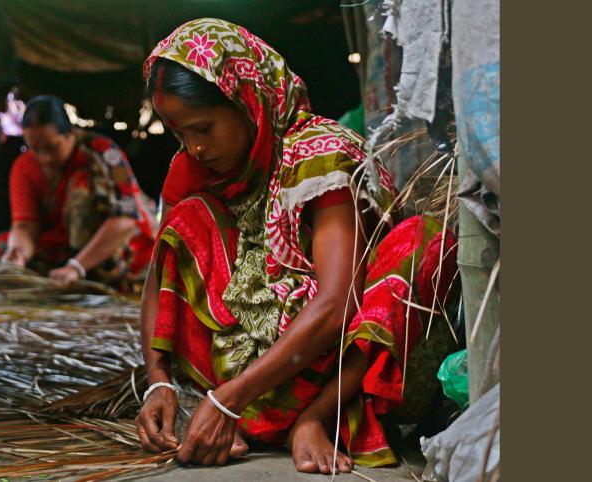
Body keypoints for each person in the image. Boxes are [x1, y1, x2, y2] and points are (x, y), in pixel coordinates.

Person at [134, 19, 458, 474]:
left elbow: (337, 304)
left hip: (345, 375)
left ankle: (313, 419)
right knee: (186, 220)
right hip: (253, 383)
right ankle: (259, 418)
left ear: (248, 102)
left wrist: (230, 399)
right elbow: (156, 283)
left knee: (424, 242)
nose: (196, 148)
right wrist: (158, 381)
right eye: (181, 134)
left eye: (204, 128)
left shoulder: (321, 153)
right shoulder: (194, 169)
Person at [0, 95, 157, 290]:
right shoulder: (24, 167)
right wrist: (18, 253)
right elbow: (25, 225)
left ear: (70, 134)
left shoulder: (101, 153)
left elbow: (125, 220)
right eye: (35, 148)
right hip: (63, 244)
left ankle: (88, 275)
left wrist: (77, 267)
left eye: (52, 147)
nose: (45, 158)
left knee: (80, 190)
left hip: (112, 240)